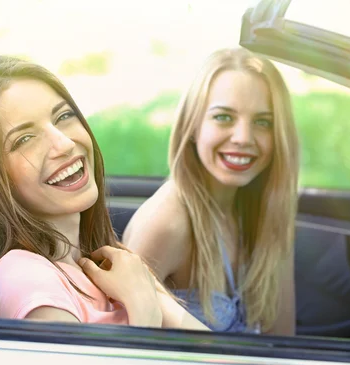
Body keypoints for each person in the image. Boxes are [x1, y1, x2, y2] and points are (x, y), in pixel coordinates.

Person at [0, 55, 208, 330]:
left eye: (63, 116)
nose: (65, 143)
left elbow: (220, 358)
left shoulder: (106, 259)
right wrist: (143, 309)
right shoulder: (24, 279)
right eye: (24, 139)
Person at [123, 48, 299, 335]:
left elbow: (282, 342)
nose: (243, 138)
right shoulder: (167, 222)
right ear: (192, 126)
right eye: (224, 118)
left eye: (263, 122)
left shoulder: (271, 214)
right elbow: (116, 348)